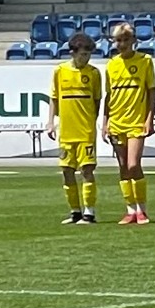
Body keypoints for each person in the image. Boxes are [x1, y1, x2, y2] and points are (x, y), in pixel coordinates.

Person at [103, 22, 155, 225]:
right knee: (123, 166)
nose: (122, 44)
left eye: (126, 40)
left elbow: (151, 92)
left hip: (136, 122)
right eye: (118, 40)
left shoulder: (144, 61)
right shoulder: (111, 64)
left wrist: (149, 119)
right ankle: (130, 210)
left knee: (134, 164)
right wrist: (105, 122)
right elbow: (109, 96)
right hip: (116, 122)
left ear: (133, 40)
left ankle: (142, 209)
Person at [47, 32, 102, 224]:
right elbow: (54, 98)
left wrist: (91, 121)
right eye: (83, 54)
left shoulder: (93, 73)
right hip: (66, 132)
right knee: (67, 171)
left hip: (85, 131)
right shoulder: (60, 71)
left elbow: (97, 101)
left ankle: (89, 212)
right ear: (72, 53)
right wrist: (50, 122)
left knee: (87, 170)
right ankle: (75, 211)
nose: (86, 58)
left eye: (88, 55)